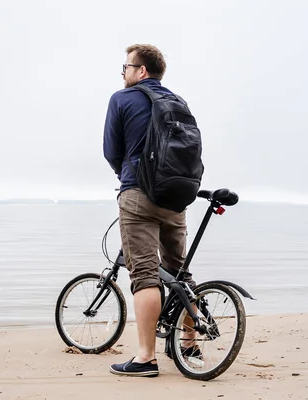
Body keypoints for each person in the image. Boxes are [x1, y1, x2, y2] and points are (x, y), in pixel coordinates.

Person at [103, 44, 198, 377]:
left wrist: (127, 177)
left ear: (142, 70)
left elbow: (111, 150)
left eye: (126, 66)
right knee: (179, 273)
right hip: (176, 199)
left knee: (144, 277)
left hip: (139, 195)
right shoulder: (178, 102)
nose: (123, 72)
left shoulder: (122, 99)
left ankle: (145, 357)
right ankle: (189, 342)